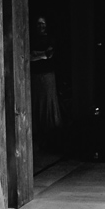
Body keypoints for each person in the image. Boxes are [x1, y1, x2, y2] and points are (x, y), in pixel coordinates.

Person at [31, 15, 62, 146]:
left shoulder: (50, 39)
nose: (41, 26)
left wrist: (39, 55)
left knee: (48, 101)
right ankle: (38, 131)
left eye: (43, 23)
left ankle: (51, 131)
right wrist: (42, 55)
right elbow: (29, 56)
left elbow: (49, 54)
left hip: (48, 74)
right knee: (38, 101)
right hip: (36, 74)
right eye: (38, 24)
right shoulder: (32, 39)